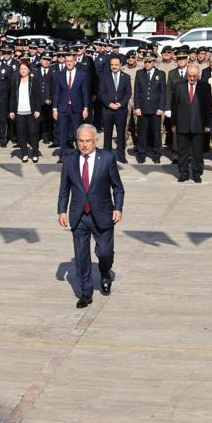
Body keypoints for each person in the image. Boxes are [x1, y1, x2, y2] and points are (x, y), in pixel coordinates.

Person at [57, 124, 124, 308]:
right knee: (81, 257)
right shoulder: (70, 160)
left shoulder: (107, 158)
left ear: (95, 141)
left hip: (102, 214)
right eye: (80, 141)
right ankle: (86, 293)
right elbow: (64, 189)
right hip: (79, 216)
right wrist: (62, 210)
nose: (84, 145)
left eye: (88, 141)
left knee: (104, 252)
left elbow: (117, 187)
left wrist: (118, 208)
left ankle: (104, 272)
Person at [171, 63, 211, 182]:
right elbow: (174, 106)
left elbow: (208, 107)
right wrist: (173, 124)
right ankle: (183, 173)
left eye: (194, 76)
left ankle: (196, 172)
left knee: (197, 151)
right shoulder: (179, 86)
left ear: (198, 75)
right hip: (182, 124)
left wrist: (208, 124)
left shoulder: (205, 86)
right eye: (189, 76)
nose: (192, 79)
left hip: (198, 124)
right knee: (182, 151)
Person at [52, 52, 90, 161]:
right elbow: (57, 93)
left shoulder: (82, 74)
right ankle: (62, 155)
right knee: (63, 133)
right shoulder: (60, 75)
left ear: (75, 62)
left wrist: (85, 108)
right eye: (67, 61)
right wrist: (55, 109)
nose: (68, 63)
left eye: (70, 61)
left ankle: (79, 155)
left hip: (77, 108)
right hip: (63, 108)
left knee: (77, 133)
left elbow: (85, 93)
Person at [8, 60, 44, 163]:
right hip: (19, 112)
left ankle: (35, 153)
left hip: (31, 111)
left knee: (33, 133)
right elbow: (12, 97)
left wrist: (38, 110)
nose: (23, 70)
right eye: (21, 69)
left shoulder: (33, 81)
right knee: (21, 133)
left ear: (28, 70)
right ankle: (24, 153)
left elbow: (38, 97)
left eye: (24, 69)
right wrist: (11, 110)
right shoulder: (16, 81)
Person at [99, 54, 132, 164]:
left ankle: (121, 155)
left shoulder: (126, 77)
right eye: (112, 65)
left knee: (121, 133)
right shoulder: (104, 77)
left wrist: (121, 104)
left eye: (116, 65)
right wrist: (109, 104)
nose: (114, 66)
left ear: (121, 65)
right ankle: (107, 155)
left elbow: (128, 93)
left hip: (121, 110)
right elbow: (101, 93)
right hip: (108, 110)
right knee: (107, 133)